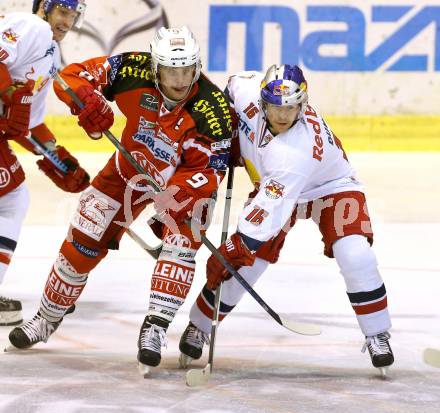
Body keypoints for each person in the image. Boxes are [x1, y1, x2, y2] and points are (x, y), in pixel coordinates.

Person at [8, 26, 233, 374]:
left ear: (196, 67)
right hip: (128, 167)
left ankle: (154, 329)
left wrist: (182, 194)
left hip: (182, 185)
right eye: (171, 70)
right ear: (156, 67)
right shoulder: (132, 69)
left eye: (187, 70)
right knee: (82, 238)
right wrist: (87, 102)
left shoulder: (213, 110)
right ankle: (46, 318)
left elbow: (213, 170)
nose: (179, 79)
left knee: (180, 248)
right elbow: (70, 77)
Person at [178, 64, 394, 374]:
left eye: (291, 108)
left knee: (354, 253)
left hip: (330, 187)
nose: (282, 115)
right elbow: (228, 90)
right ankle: (199, 325)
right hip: (274, 184)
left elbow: (267, 214)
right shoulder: (246, 90)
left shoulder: (294, 151)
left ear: (302, 105)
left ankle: (377, 333)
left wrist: (237, 247)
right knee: (248, 268)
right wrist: (224, 130)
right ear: (262, 100)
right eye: (275, 107)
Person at [0, 0, 90, 325]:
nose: (67, 22)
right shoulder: (32, 27)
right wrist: (7, 91)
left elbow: (26, 123)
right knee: (10, 200)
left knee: (11, 199)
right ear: (45, 8)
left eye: (73, 15)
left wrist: (57, 157)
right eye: (63, 12)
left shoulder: (51, 54)